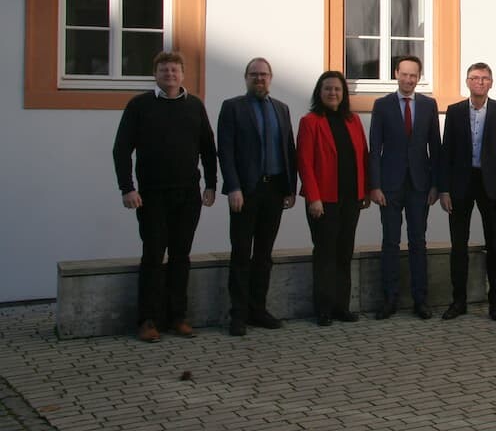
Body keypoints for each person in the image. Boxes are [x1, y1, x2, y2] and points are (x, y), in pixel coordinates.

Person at [112, 51, 217, 343]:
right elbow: (121, 149)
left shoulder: (195, 106)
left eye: (174, 70)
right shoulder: (139, 106)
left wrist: (211, 184)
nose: (169, 74)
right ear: (155, 74)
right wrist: (127, 188)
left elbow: (208, 149)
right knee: (153, 256)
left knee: (181, 256)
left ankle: (178, 317)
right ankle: (148, 320)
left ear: (183, 75)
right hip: (151, 195)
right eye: (164, 70)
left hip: (188, 195)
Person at [217, 57, 297, 336]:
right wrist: (234, 187)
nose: (259, 78)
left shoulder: (281, 109)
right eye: (254, 74)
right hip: (246, 192)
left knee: (264, 254)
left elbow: (289, 149)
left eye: (263, 74)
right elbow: (225, 151)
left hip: (273, 190)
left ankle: (258, 309)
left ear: (271, 78)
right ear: (246, 77)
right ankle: (237, 315)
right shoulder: (232, 107)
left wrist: (290, 189)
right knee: (241, 253)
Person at [439, 62, 496, 322]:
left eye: (484, 78)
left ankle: (495, 304)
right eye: (475, 78)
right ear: (467, 82)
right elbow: (446, 153)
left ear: (491, 83)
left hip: (492, 185)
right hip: (461, 184)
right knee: (458, 246)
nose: (480, 82)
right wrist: (444, 190)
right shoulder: (455, 111)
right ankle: (458, 301)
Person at [367, 55, 441, 320]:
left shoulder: (428, 105)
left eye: (414, 75)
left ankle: (421, 300)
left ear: (418, 77)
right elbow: (374, 149)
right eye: (404, 74)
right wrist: (374, 185)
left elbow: (436, 147)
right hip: (389, 185)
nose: (409, 79)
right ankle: (390, 300)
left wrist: (436, 184)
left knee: (418, 242)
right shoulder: (382, 105)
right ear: (396, 73)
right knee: (390, 242)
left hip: (420, 185)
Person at [297, 71, 369, 326]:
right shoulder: (310, 122)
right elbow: (304, 163)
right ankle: (324, 309)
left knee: (344, 253)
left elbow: (364, 156)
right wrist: (313, 198)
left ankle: (342, 306)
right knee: (325, 254)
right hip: (323, 201)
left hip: (351, 199)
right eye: (328, 89)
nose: (333, 93)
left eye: (337, 89)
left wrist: (366, 190)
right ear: (320, 92)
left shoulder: (354, 121)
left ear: (344, 93)